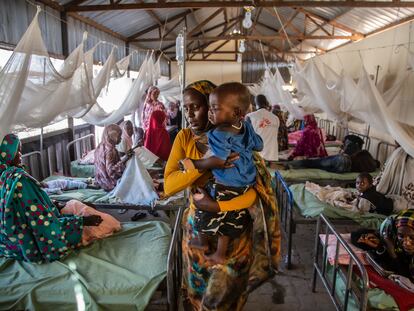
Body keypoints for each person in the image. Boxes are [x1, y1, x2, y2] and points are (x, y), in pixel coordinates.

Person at [163, 80, 281, 310]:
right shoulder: (184, 138)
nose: (189, 114)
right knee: (198, 294)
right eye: (185, 107)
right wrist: (209, 163)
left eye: (196, 107)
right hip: (198, 231)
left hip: (233, 235)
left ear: (212, 107)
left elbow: (254, 195)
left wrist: (216, 207)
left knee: (223, 298)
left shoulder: (239, 142)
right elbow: (169, 185)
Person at [180, 82, 263, 264]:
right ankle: (220, 253)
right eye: (185, 108)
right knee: (231, 221)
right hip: (244, 184)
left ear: (235, 112)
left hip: (225, 185)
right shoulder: (245, 126)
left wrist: (194, 163)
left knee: (203, 203)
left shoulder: (218, 134)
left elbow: (218, 160)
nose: (190, 114)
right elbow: (259, 144)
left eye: (214, 108)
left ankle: (201, 241)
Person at [0, 134, 102, 263]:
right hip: (28, 243)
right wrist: (80, 222)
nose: (20, 155)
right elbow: (41, 222)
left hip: (9, 243)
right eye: (17, 151)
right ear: (7, 153)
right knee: (97, 217)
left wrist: (55, 205)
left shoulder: (4, 177)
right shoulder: (19, 181)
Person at [94, 124, 133, 191]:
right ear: (113, 137)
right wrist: (124, 159)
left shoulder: (100, 146)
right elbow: (111, 172)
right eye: (119, 136)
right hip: (109, 184)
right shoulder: (111, 151)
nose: (121, 138)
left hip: (100, 181)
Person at [245, 94, 279, 162]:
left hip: (258, 157)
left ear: (255, 103)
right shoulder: (276, 118)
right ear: (266, 103)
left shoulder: (250, 116)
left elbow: (247, 137)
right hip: (273, 155)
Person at [288, 149, 379, 173]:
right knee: (319, 167)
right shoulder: (370, 168)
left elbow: (354, 156)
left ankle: (290, 165)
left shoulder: (366, 155)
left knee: (314, 163)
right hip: (345, 170)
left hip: (344, 160)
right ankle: (293, 166)